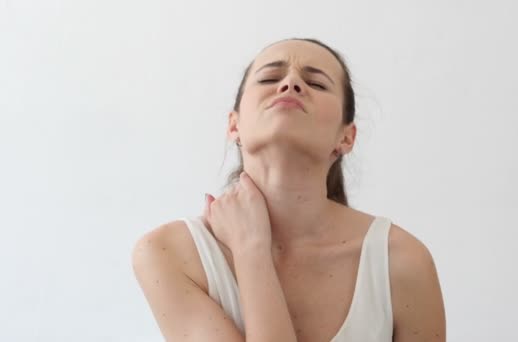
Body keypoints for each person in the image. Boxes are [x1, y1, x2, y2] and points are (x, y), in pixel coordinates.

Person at [131, 37, 446, 342]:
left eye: (318, 84)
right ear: (234, 125)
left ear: (346, 138)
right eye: (269, 78)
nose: (291, 83)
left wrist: (251, 251)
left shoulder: (401, 262)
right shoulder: (167, 253)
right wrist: (252, 249)